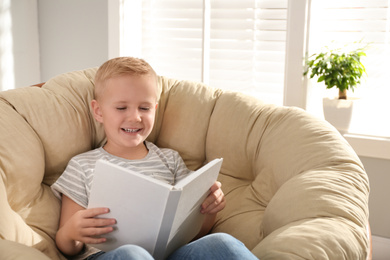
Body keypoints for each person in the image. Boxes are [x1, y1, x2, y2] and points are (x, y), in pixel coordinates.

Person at [51, 57, 258, 260]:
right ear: (98, 111)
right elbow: (68, 246)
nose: (135, 117)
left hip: (171, 254)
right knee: (132, 254)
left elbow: (196, 233)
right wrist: (70, 232)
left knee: (221, 242)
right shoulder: (83, 165)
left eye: (144, 108)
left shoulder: (170, 160)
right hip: (113, 255)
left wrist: (210, 209)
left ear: (155, 110)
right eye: (121, 108)